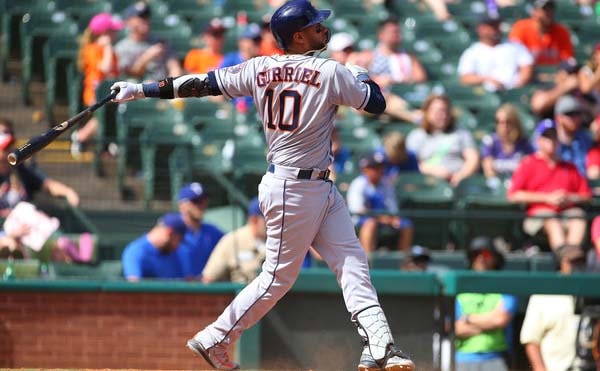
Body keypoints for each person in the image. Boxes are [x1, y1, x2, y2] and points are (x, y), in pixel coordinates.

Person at [109, 1, 416, 370]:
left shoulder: (260, 67)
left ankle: (379, 345)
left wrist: (141, 89)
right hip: (293, 186)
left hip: (316, 185)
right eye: (315, 26)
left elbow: (200, 84)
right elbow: (377, 105)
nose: (323, 29)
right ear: (298, 36)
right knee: (277, 278)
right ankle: (216, 337)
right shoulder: (330, 71)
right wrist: (362, 76)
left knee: (352, 262)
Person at [507, 119, 591, 254]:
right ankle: (565, 258)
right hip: (539, 215)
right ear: (539, 140)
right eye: (547, 137)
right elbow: (514, 195)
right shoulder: (528, 164)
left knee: (578, 217)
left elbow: (586, 195)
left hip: (566, 211)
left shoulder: (569, 167)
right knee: (552, 220)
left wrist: (568, 198)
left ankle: (573, 258)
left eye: (554, 137)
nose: (551, 141)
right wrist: (547, 198)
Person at [454, 236, 517, 371]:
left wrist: (468, 318)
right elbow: (456, 329)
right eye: (476, 254)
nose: (481, 258)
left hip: (496, 358)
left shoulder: (505, 288)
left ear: (495, 258)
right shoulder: (460, 291)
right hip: (462, 359)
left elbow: (500, 319)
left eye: (486, 254)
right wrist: (489, 324)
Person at [520, 245, 586, 371]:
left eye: (580, 262)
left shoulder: (592, 294)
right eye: (571, 262)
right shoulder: (544, 296)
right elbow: (530, 340)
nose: (577, 266)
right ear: (560, 264)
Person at [0, 118, 80, 217]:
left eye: (10, 146)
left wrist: (68, 192)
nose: (9, 150)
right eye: (5, 148)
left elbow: (48, 185)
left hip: (24, 225)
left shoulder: (21, 169)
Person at [71, 12, 122, 157]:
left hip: (110, 91)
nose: (116, 33)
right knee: (101, 118)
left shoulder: (111, 51)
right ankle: (80, 137)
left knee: (111, 116)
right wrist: (107, 47)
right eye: (112, 30)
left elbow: (114, 73)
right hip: (94, 92)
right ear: (104, 32)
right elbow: (104, 68)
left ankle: (109, 143)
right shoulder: (92, 49)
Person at [406, 94, 480, 186]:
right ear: (427, 112)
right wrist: (433, 170)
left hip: (458, 183)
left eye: (446, 111)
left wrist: (460, 176)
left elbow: (473, 159)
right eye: (439, 111)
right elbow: (412, 164)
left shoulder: (461, 133)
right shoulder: (416, 136)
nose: (443, 115)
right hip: (427, 183)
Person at [347, 152, 414, 253]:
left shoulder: (386, 184)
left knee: (406, 225)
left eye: (381, 167)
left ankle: (403, 262)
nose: (380, 171)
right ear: (365, 169)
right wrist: (381, 219)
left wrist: (394, 218)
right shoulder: (358, 184)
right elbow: (358, 210)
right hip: (362, 220)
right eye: (375, 168)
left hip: (385, 218)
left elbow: (393, 208)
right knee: (370, 223)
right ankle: (367, 261)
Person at [457, 14, 534, 92]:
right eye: (490, 26)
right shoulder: (472, 52)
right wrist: (487, 79)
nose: (494, 29)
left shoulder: (515, 45)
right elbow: (465, 78)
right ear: (480, 29)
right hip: (488, 94)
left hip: (516, 91)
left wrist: (517, 88)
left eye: (496, 25)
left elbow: (526, 69)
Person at [201, 197, 266, 284]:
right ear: (254, 220)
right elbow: (208, 279)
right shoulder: (233, 239)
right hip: (243, 294)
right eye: (269, 219)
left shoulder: (282, 241)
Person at [115, 1, 183, 82]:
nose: (145, 20)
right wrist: (147, 57)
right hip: (136, 91)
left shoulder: (161, 42)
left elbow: (174, 68)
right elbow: (130, 74)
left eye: (147, 16)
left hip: (162, 89)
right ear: (128, 21)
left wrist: (170, 87)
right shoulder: (122, 47)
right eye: (141, 17)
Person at [176, 182, 224, 280]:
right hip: (175, 289)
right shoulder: (171, 231)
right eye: (196, 201)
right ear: (181, 205)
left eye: (204, 200)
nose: (201, 205)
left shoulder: (213, 232)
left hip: (205, 290)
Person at [121, 212, 187, 281]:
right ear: (169, 233)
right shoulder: (136, 251)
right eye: (179, 240)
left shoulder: (175, 253)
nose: (178, 245)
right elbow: (134, 284)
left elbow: (184, 280)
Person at [508, 0, 574, 66]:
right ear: (535, 12)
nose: (549, 13)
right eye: (545, 10)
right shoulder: (521, 28)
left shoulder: (562, 31)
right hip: (529, 74)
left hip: (555, 74)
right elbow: (512, 59)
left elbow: (567, 60)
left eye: (551, 9)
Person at [480, 103, 534, 180]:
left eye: (508, 122)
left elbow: (529, 169)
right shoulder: (490, 142)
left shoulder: (525, 145)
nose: (504, 126)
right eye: (501, 122)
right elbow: (488, 171)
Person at [542, 94, 593, 176]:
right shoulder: (547, 138)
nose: (574, 117)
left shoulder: (586, 138)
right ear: (558, 117)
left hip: (583, 185)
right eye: (569, 114)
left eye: (577, 113)